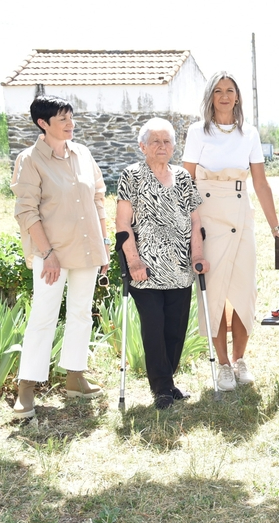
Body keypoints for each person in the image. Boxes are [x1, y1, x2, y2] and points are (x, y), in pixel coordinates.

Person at [182, 70, 279, 391]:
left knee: (243, 290)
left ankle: (240, 360)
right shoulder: (197, 132)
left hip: (242, 215)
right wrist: (191, 227)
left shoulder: (249, 134)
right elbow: (186, 182)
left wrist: (275, 226)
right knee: (213, 294)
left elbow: (261, 183)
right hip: (207, 217)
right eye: (218, 91)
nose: (225, 96)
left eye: (230, 90)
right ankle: (222, 365)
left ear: (237, 97)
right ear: (210, 97)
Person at [11, 96, 108, 419]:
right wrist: (48, 253)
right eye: (62, 119)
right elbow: (26, 211)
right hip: (51, 253)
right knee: (43, 317)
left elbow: (98, 196)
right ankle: (26, 388)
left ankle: (75, 377)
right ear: (43, 123)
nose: (70, 124)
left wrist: (104, 244)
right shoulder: (30, 160)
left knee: (81, 313)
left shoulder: (82, 153)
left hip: (86, 249)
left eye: (71, 117)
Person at [116, 118, 208, 409]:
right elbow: (122, 225)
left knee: (176, 329)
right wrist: (133, 262)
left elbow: (195, 222)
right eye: (155, 141)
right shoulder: (131, 176)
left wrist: (197, 256)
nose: (162, 146)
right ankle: (161, 390)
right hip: (146, 270)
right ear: (142, 146)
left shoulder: (182, 177)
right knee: (154, 328)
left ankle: (168, 382)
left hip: (180, 269)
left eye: (167, 141)